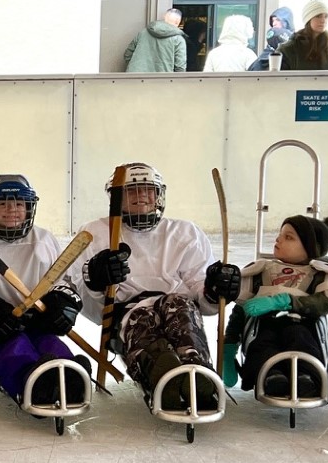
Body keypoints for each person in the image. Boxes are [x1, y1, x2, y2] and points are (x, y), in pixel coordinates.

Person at [73, 164, 241, 413]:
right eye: (132, 191)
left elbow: (201, 296)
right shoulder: (94, 233)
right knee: (142, 320)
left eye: (148, 190)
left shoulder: (185, 232)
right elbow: (86, 303)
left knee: (180, 308)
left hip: (177, 304)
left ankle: (197, 373)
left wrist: (215, 291)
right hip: (128, 309)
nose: (141, 195)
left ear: (159, 195)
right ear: (116, 198)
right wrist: (96, 281)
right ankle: (162, 377)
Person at [0, 175, 89, 410]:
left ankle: (70, 375)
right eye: (3, 203)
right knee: (14, 345)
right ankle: (31, 384)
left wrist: (62, 304)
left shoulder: (44, 240)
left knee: (48, 342)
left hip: (35, 320)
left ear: (29, 208)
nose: (12, 209)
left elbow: (62, 281)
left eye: (19, 204)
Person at [232, 215, 328, 395]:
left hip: (303, 324)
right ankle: (271, 375)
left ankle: (306, 376)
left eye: (289, 237)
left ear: (310, 248)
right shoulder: (261, 270)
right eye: (280, 234)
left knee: (299, 336)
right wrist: (229, 345)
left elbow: (325, 303)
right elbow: (241, 308)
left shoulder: (319, 273)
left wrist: (285, 301)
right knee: (263, 342)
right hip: (264, 324)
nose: (278, 239)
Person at [280, 0, 328, 71]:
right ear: (308, 19)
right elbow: (278, 79)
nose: (323, 20)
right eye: (318, 16)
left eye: (326, 16)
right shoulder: (288, 48)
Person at [124, 6, 187, 73]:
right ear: (178, 22)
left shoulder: (144, 32)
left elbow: (127, 54)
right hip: (161, 80)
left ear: (164, 17)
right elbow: (180, 67)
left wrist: (137, 67)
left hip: (136, 78)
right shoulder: (178, 40)